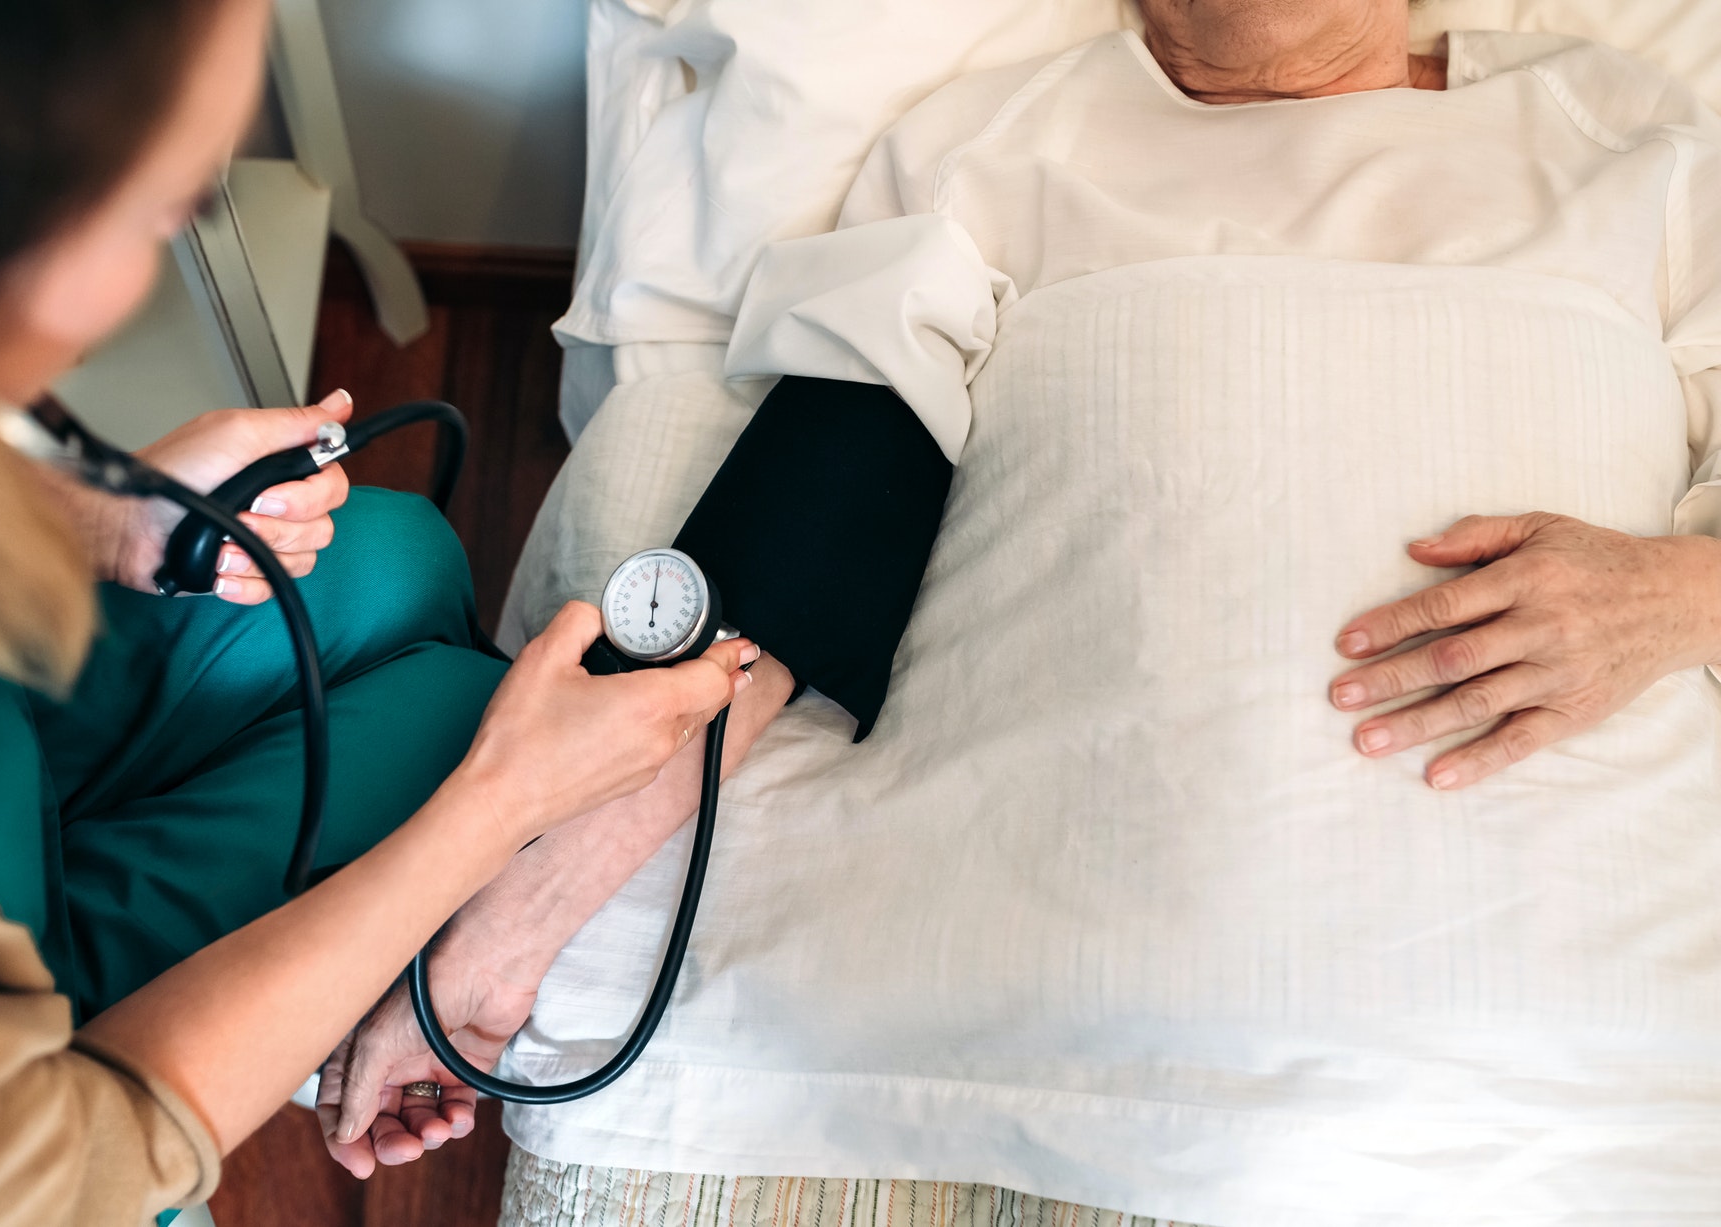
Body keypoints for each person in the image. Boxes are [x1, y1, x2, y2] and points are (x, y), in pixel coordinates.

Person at [316, 0, 1721, 1220]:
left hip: (1597, 1049)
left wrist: (1676, 593)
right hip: (1052, 965)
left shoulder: (1631, 134)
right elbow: (805, 534)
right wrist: (500, 928)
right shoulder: (998, 141)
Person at [0, 0, 795, 1222]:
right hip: (26, 1102)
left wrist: (97, 517)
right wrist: (503, 812)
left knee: (393, 561)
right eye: (170, 202)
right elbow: (100, 1151)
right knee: (461, 732)